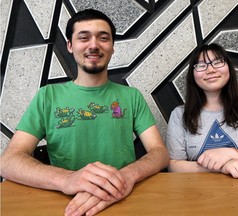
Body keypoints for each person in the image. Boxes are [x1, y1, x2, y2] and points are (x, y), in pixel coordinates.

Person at [0, 9, 169, 215]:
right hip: (66, 204)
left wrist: (127, 176)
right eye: (83, 37)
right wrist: (67, 179)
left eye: (103, 38)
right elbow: (8, 161)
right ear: (70, 46)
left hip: (123, 198)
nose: (94, 45)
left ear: (113, 47)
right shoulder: (48, 96)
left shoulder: (131, 96)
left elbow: (159, 153)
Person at [166, 43, 238, 179]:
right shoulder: (180, 115)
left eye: (217, 62)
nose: (210, 70)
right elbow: (174, 166)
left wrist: (232, 154)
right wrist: (222, 167)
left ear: (229, 68)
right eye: (201, 65)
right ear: (193, 74)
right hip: (197, 195)